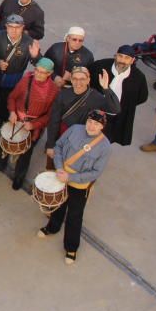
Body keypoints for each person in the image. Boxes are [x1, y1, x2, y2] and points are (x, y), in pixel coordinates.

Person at [38, 112, 112, 265]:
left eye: (97, 124)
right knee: (58, 205)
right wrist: (59, 168)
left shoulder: (105, 147)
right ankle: (52, 227)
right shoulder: (74, 129)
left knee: (74, 216)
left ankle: (71, 247)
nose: (92, 126)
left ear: (102, 127)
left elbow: (95, 172)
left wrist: (70, 178)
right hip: (61, 174)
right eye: (90, 121)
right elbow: (58, 146)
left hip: (79, 184)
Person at [0, 58, 58, 190]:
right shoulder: (26, 80)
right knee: (6, 145)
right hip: (17, 119)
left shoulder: (54, 90)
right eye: (37, 70)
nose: (38, 74)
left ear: (50, 73)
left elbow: (50, 115)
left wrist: (34, 125)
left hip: (33, 125)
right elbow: (12, 97)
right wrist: (12, 112)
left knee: (26, 153)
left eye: (43, 72)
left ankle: (19, 176)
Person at [46, 68, 118, 170]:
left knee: (72, 165)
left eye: (82, 79)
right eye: (75, 78)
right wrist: (50, 145)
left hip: (82, 138)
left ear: (88, 80)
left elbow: (115, 109)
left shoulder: (96, 97)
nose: (78, 82)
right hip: (62, 134)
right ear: (70, 79)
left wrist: (106, 89)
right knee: (53, 164)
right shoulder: (63, 94)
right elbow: (54, 120)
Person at [0, 14, 40, 140]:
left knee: (4, 111)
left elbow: (39, 64)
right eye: (11, 27)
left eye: (17, 27)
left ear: (23, 27)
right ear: (6, 27)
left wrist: (36, 57)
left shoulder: (28, 42)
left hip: (13, 83)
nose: (14, 30)